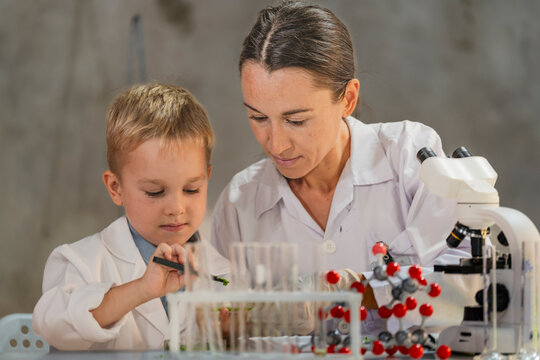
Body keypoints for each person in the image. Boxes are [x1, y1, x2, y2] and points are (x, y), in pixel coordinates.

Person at [210, 0, 472, 323]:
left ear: (348, 99)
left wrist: (361, 289)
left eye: (296, 120)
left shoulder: (410, 158)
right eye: (258, 117)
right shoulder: (240, 204)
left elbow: (469, 280)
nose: (276, 144)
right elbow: (220, 321)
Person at [33, 83, 229, 350]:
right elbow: (53, 325)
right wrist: (141, 289)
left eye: (191, 189)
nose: (176, 207)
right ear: (116, 188)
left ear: (207, 178)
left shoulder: (225, 271)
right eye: (155, 191)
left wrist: (231, 334)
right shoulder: (80, 262)